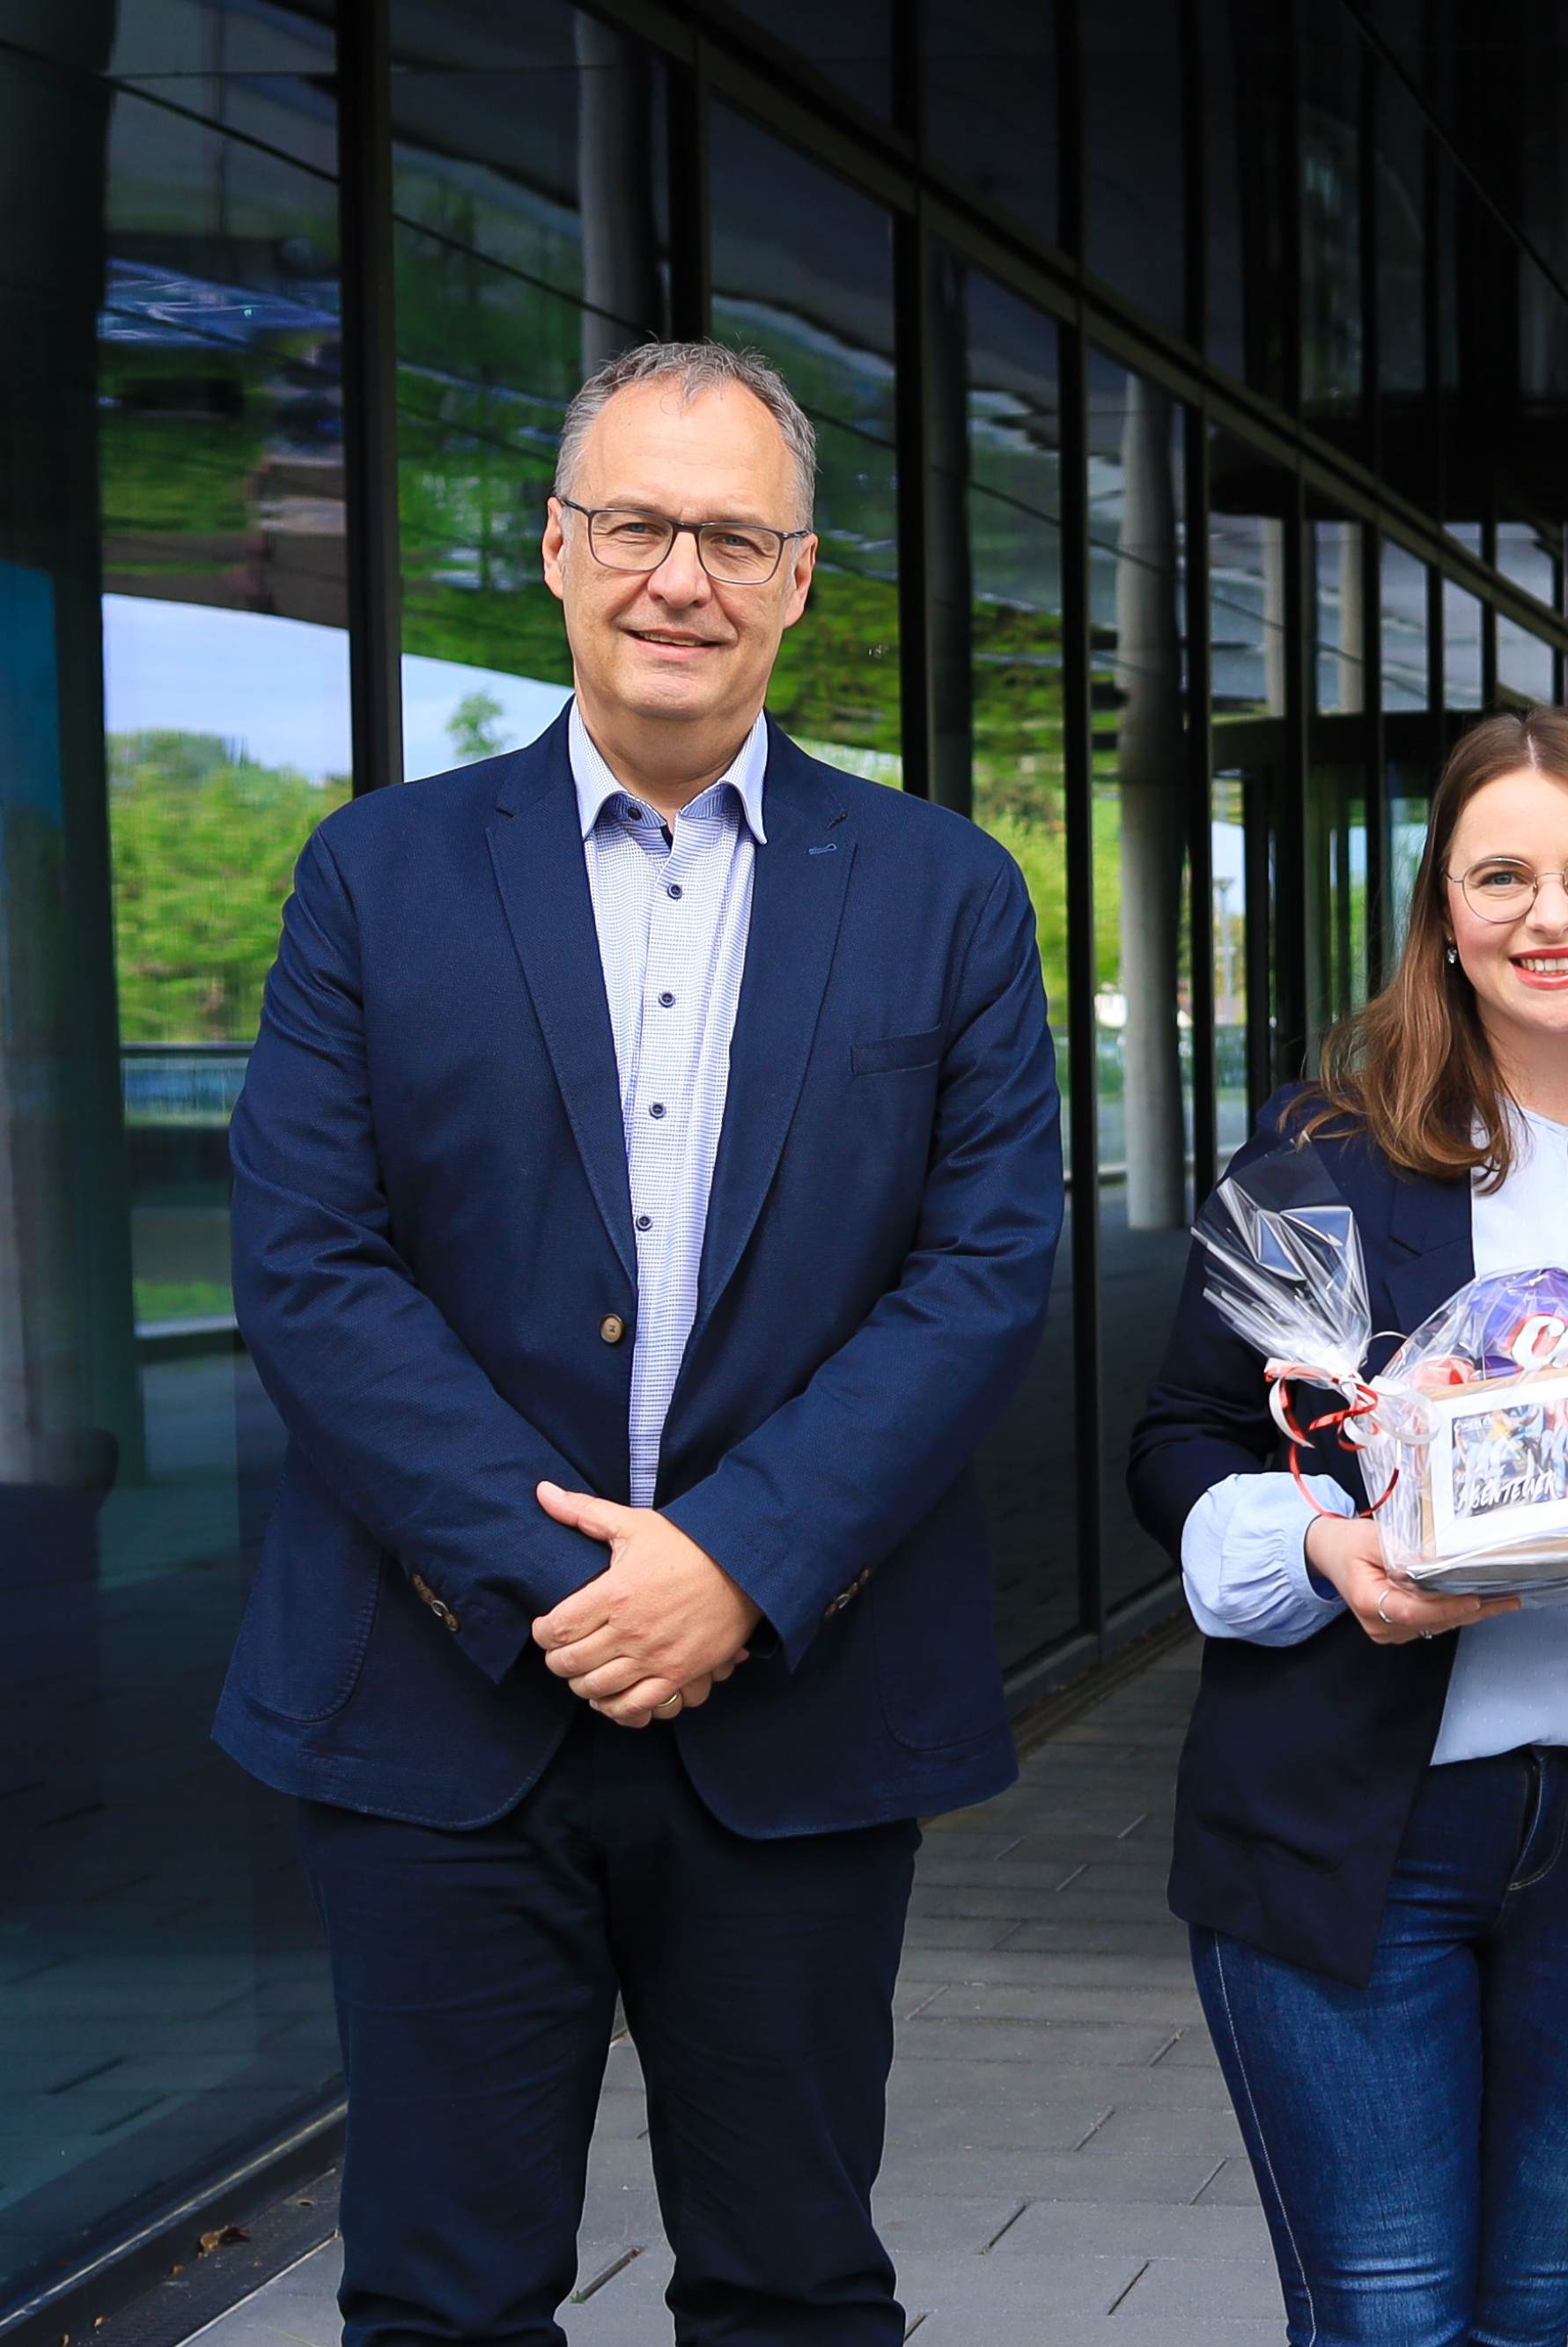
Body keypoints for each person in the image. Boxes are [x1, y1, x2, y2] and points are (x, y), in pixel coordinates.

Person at [216, 340, 1063, 2343]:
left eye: (731, 536)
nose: (679, 573)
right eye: (637, 525)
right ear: (556, 549)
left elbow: (981, 1268)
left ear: (798, 578)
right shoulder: (377, 873)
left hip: (802, 1708)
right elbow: (313, 1262)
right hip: (438, 1711)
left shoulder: (945, 894)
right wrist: (575, 1581)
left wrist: (737, 1570)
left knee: (792, 2287)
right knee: (437, 2294)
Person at [1130, 706, 1568, 2347]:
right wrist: (1327, 1550)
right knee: (1386, 2323)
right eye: (1499, 874)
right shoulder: (1324, 1152)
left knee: (1524, 2315)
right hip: (1346, 1836)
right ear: (1441, 915)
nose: (1550, 914)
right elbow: (1181, 1435)